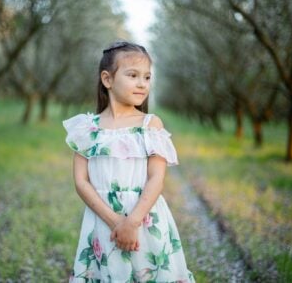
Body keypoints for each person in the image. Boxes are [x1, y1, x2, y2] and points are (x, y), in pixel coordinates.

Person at [63, 41, 195, 282]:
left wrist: (132, 223)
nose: (142, 83)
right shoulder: (87, 128)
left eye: (147, 77)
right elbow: (81, 182)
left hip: (143, 220)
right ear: (107, 79)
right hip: (103, 222)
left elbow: (157, 177)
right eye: (133, 75)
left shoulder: (150, 125)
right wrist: (117, 223)